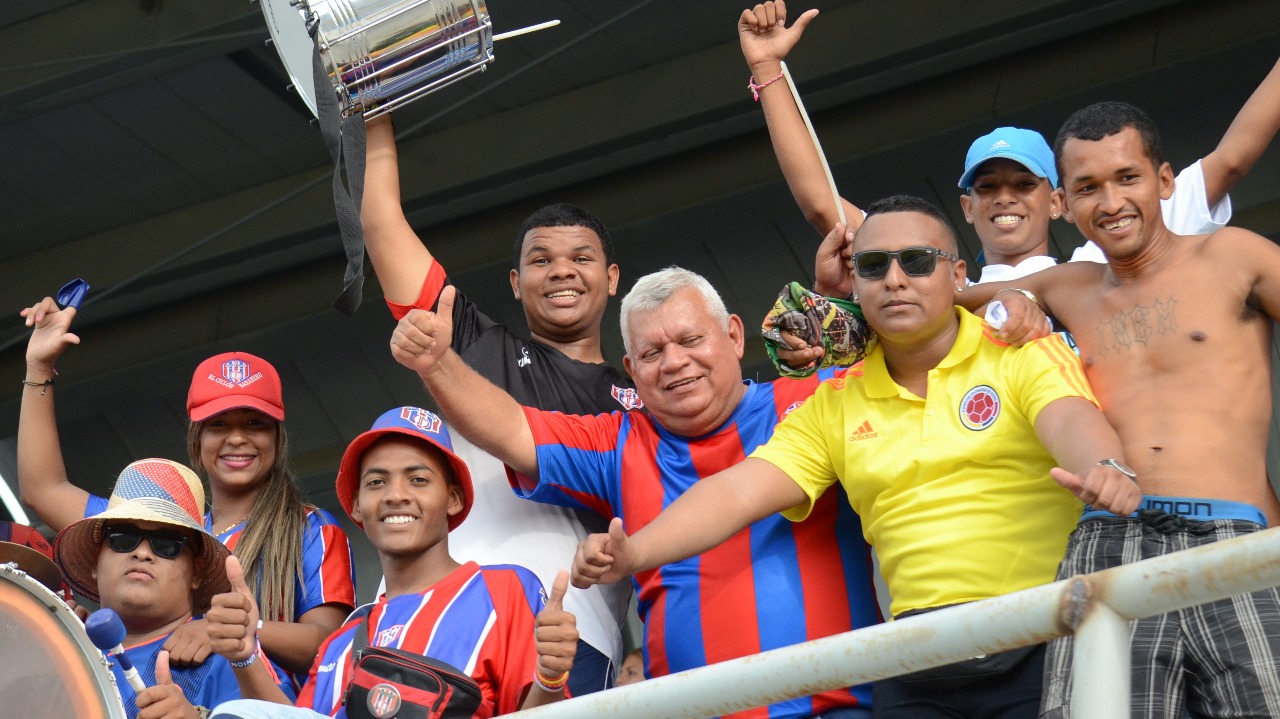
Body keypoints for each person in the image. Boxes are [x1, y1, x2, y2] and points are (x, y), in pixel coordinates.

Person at [570, 196, 1142, 719]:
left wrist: (1105, 467)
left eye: (916, 262)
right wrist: (635, 551)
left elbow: (1069, 417)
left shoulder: (1020, 348)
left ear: (959, 274)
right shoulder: (836, 399)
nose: (895, 280)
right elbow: (738, 491)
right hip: (917, 659)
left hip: (1044, 632)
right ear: (856, 286)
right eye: (874, 267)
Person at [391, 268, 883, 719]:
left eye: (691, 339)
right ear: (630, 365)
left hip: (840, 707)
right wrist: (437, 364)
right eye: (651, 353)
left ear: (734, 335)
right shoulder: (620, 442)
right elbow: (513, 430)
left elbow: (926, 346)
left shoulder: (819, 401)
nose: (674, 362)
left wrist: (850, 303)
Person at [956, 102, 1280, 719]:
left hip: (1236, 535)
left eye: (1126, 178)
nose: (1109, 202)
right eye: (1087, 188)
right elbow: (928, 309)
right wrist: (1014, 302)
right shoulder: (1065, 286)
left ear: (1163, 181)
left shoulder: (1233, 256)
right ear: (1066, 204)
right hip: (1110, 543)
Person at [738, 2, 1280, 364]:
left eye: (1024, 185)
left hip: (1114, 506)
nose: (1005, 198)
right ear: (966, 207)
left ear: (1060, 200)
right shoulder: (932, 280)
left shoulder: (1108, 253)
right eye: (988, 188)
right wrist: (767, 68)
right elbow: (821, 205)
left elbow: (1233, 156)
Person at [358, 114, 635, 695]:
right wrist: (374, 111)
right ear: (515, 282)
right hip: (434, 620)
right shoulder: (470, 344)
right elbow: (382, 225)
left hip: (569, 631)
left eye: (581, 258)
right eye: (540, 260)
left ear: (611, 278)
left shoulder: (647, 392)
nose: (561, 269)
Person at [18, 299, 356, 677]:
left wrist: (232, 631)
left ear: (278, 438)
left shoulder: (311, 528)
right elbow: (42, 489)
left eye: (255, 423)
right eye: (218, 425)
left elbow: (332, 646)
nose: (238, 438)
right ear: (196, 439)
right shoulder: (156, 528)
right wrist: (39, 367)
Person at [204, 407, 578, 719]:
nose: (396, 495)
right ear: (355, 506)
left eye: (418, 480)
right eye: (377, 483)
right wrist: (244, 653)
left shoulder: (505, 591)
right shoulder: (343, 639)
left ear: (453, 499)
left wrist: (549, 679)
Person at [51, 458, 295, 719]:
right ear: (95, 561)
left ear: (197, 572)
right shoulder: (55, 656)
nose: (142, 553)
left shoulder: (229, 658)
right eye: (122, 538)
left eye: (167, 544)